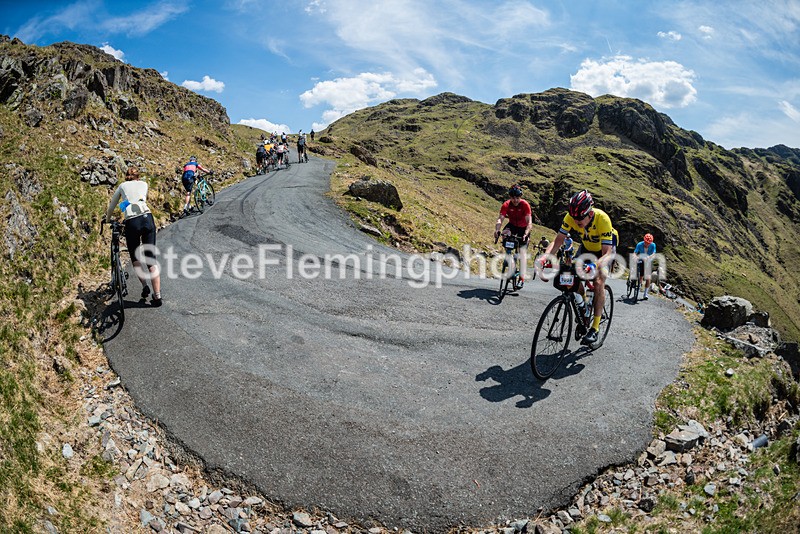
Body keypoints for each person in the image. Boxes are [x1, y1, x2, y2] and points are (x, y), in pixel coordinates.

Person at [540, 189, 617, 346]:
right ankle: (583, 306)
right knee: (570, 274)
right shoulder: (572, 217)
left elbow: (607, 253)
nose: (576, 221)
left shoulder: (603, 219)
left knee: (598, 281)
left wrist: (594, 266)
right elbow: (558, 241)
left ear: (589, 213)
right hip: (586, 248)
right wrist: (545, 258)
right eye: (574, 218)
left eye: (579, 218)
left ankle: (594, 328)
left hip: (605, 250)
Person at [104, 167, 162, 306]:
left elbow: (112, 206)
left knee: (135, 257)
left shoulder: (122, 186)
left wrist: (107, 219)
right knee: (151, 261)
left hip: (132, 222)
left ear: (126, 177)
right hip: (147, 218)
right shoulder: (144, 184)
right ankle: (158, 296)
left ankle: (144, 286)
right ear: (138, 176)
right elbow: (140, 200)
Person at [493, 184, 533, 287]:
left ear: (520, 197)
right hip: (512, 226)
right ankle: (509, 256)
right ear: (510, 197)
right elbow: (500, 219)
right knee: (505, 234)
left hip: (523, 228)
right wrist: (497, 230)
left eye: (517, 197)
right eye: (513, 197)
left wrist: (526, 233)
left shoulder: (525, 205)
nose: (515, 200)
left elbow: (529, 222)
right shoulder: (506, 204)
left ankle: (522, 278)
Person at [633, 233, 656, 300]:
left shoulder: (653, 245)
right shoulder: (640, 244)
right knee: (641, 275)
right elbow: (635, 252)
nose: (647, 244)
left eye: (649, 243)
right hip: (641, 259)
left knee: (648, 278)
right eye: (646, 242)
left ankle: (645, 294)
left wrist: (649, 257)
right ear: (644, 241)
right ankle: (639, 285)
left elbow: (654, 253)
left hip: (648, 260)